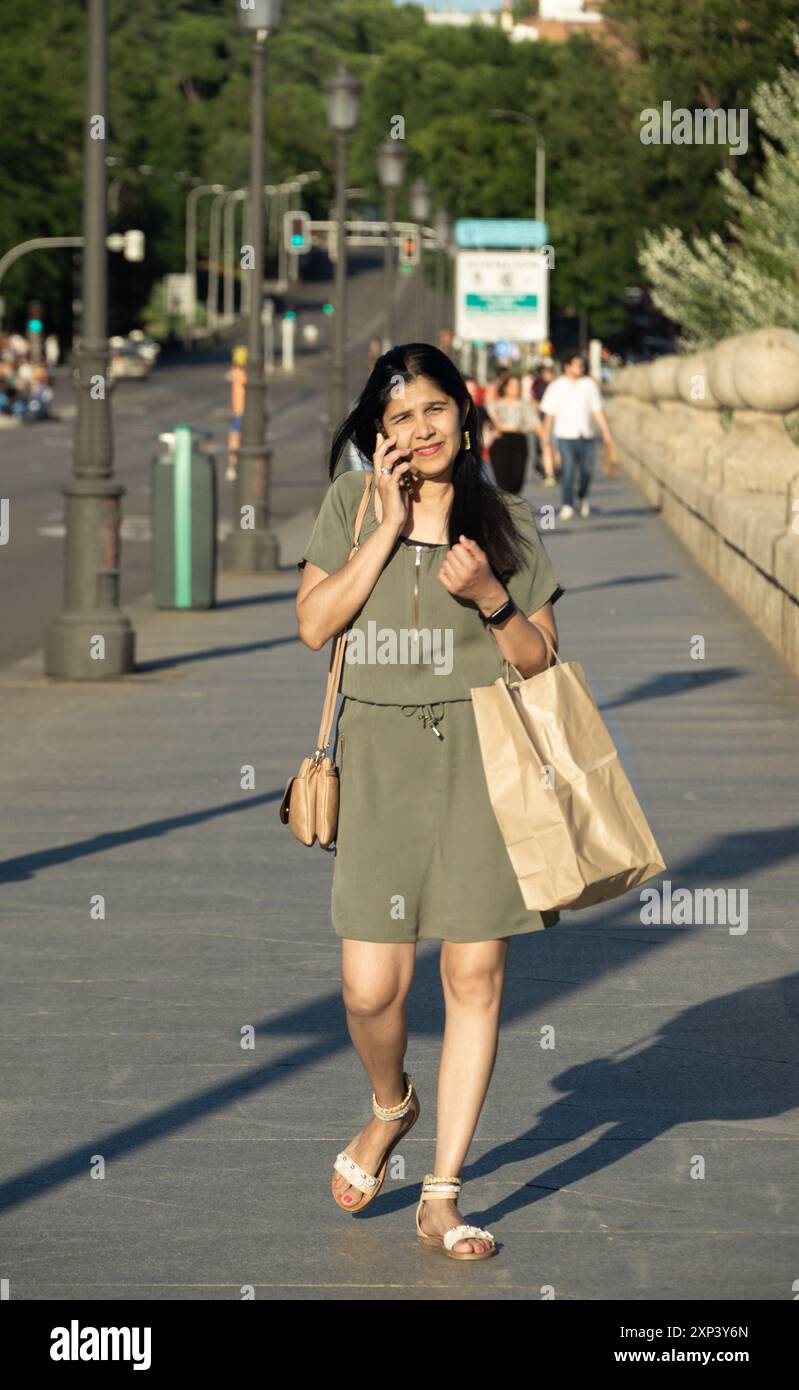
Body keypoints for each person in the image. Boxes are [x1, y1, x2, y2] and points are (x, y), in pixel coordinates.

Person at [295, 341, 566, 1261]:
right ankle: (389, 1107)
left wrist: (492, 596)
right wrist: (382, 525)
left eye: (434, 410)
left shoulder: (508, 520)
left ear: (465, 411)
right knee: (372, 988)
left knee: (473, 979)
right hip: (376, 762)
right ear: (379, 434)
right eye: (399, 418)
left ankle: (442, 1195)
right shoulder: (348, 504)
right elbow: (313, 624)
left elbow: (540, 661)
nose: (420, 429)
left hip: (481, 761)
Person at [538, 352, 616, 520]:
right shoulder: (556, 387)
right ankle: (567, 504)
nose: (580, 368)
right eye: (577, 364)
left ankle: (583, 496)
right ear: (567, 366)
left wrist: (606, 431)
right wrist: (545, 435)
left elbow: (597, 410)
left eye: (582, 365)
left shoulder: (589, 385)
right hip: (565, 435)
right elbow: (549, 414)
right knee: (568, 470)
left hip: (587, 434)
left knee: (587, 471)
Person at [486, 374, 536, 494]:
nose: (515, 388)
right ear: (505, 388)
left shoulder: (525, 405)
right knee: (502, 478)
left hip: (518, 440)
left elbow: (533, 423)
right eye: (512, 386)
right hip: (500, 442)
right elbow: (489, 422)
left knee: (517, 478)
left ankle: (512, 502)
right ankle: (508, 508)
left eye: (517, 386)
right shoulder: (496, 405)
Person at [225, 345, 248, 481]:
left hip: (240, 412)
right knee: (237, 439)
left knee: (235, 439)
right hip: (241, 412)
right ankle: (235, 467)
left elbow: (232, 373)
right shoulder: (244, 373)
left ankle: (232, 467)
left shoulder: (239, 373)